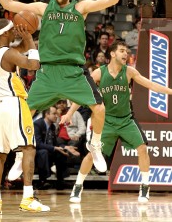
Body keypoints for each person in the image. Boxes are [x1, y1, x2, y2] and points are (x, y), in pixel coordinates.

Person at [0, 0, 132, 174]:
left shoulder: (80, 8)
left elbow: (110, 0)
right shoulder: (43, 8)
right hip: (47, 72)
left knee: (100, 109)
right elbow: (11, 4)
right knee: (25, 112)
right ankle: (21, 155)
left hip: (73, 72)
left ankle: (95, 145)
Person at [60, 41, 172, 204]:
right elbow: (83, 91)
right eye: (122, 51)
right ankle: (78, 186)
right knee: (92, 154)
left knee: (142, 148)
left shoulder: (129, 72)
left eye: (126, 51)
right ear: (112, 54)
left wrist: (170, 91)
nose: (126, 54)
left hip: (126, 120)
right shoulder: (100, 73)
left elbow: (151, 85)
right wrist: (70, 112)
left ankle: (145, 186)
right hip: (106, 122)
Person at [0, 18, 50, 215]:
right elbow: (34, 65)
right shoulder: (10, 54)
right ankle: (27, 198)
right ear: (4, 33)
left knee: (0, 155)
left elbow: (16, 50)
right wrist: (29, 39)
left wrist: (27, 39)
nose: (15, 31)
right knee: (29, 148)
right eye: (12, 30)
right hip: (14, 103)